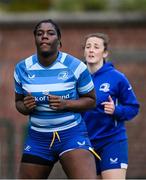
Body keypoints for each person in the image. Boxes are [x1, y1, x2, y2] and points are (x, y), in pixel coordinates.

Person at [14, 19, 97, 179]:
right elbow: (18, 103)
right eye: (40, 34)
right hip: (38, 137)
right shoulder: (22, 68)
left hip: (71, 134)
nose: (44, 37)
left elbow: (91, 100)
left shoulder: (76, 66)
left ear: (59, 41)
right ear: (35, 40)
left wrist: (66, 104)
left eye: (50, 33)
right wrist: (26, 106)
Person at [82, 32, 140, 179]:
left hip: (112, 141)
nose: (91, 50)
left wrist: (116, 110)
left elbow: (133, 108)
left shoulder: (117, 78)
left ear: (105, 53)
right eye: (88, 47)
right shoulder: (77, 78)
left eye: (96, 47)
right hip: (84, 143)